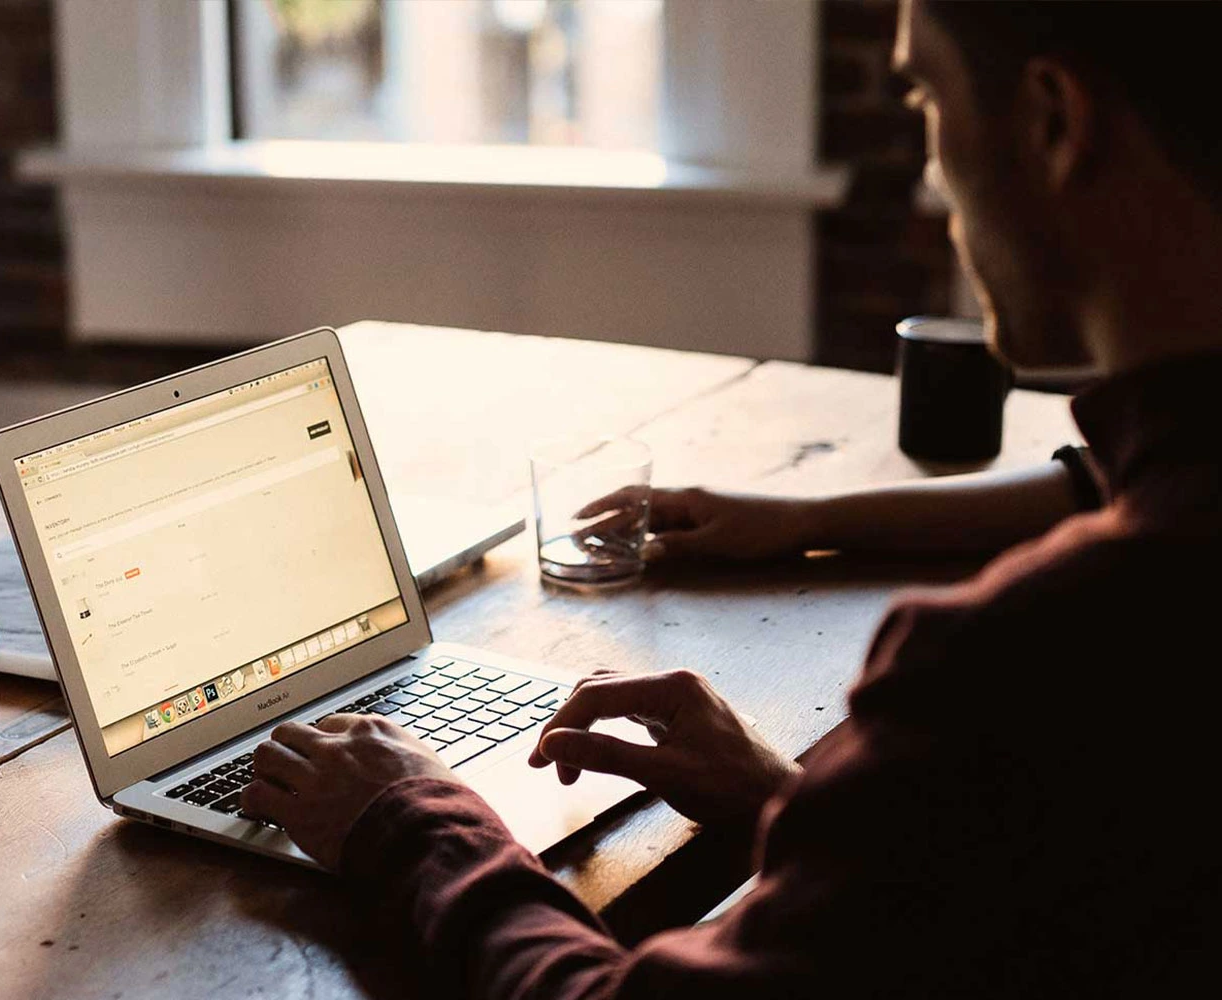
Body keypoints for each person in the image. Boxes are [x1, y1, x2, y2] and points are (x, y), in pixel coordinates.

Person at [243, 1, 1222, 995]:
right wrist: (793, 802)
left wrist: (412, 817)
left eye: (925, 97)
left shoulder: (1023, 660)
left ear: (1054, 121)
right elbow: (1020, 909)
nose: (930, 178)